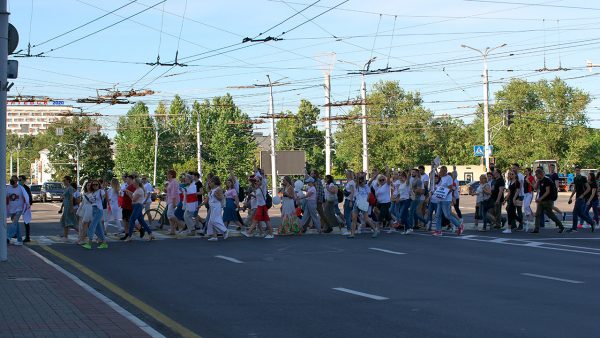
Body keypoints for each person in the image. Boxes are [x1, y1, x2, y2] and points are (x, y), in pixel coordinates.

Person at [433, 166, 464, 236]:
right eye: (440, 171)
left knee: (447, 215)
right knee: (438, 215)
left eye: (441, 171)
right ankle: (438, 231)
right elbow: (439, 187)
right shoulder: (441, 178)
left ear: (444, 171)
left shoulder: (448, 178)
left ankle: (459, 226)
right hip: (440, 199)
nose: (440, 172)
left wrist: (444, 194)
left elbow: (451, 188)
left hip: (446, 200)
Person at [533, 168, 564, 233]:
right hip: (541, 201)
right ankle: (536, 229)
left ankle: (561, 226)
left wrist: (540, 199)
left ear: (540, 174)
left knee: (550, 214)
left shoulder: (547, 180)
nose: (536, 176)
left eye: (537, 174)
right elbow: (535, 188)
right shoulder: (540, 180)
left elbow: (547, 192)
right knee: (538, 214)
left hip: (548, 200)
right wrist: (537, 181)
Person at [123, 178, 155, 242]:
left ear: (137, 183)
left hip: (137, 206)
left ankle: (130, 236)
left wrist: (128, 194)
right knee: (141, 221)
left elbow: (133, 199)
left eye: (134, 183)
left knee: (132, 219)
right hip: (136, 206)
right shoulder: (137, 189)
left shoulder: (139, 190)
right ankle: (150, 234)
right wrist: (129, 192)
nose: (133, 184)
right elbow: (134, 195)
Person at [243, 174, 274, 239]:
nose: (256, 182)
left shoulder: (263, 187)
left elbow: (263, 180)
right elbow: (255, 196)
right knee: (264, 221)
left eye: (257, 181)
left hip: (262, 207)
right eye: (255, 181)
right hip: (261, 206)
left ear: (261, 181)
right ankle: (269, 233)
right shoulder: (257, 189)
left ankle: (249, 233)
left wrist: (258, 173)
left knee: (257, 220)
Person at [348, 172, 378, 238]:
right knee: (354, 218)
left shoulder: (366, 186)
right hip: (357, 204)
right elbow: (357, 181)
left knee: (366, 218)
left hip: (364, 204)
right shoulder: (357, 186)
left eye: (363, 181)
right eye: (361, 181)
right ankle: (352, 234)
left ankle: (375, 230)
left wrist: (366, 202)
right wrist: (358, 176)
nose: (363, 183)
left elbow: (369, 194)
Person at [81, 180, 109, 250]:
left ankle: (89, 243)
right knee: (98, 228)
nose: (95, 186)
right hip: (94, 210)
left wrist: (105, 189)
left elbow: (104, 196)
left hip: (99, 210)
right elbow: (91, 201)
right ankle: (104, 242)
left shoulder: (100, 191)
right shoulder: (92, 193)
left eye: (96, 184)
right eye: (93, 185)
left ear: (98, 185)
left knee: (92, 226)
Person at [568, 166, 596, 232]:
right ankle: (592, 222)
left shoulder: (583, 178)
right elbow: (575, 189)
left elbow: (588, 188)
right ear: (574, 171)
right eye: (576, 170)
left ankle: (574, 228)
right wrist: (571, 197)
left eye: (578, 170)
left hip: (581, 198)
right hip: (577, 197)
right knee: (580, 214)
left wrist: (582, 195)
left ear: (580, 171)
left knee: (575, 212)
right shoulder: (575, 178)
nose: (577, 171)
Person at [6, 176, 28, 246]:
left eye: (13, 180)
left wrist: (26, 206)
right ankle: (19, 240)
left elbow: (26, 197)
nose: (12, 181)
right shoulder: (8, 188)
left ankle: (7, 237)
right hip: (12, 209)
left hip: (19, 209)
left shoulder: (21, 188)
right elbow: (6, 197)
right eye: (11, 180)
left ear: (16, 181)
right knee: (16, 224)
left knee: (14, 222)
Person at [205, 176, 228, 241]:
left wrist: (216, 196)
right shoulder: (212, 190)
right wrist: (200, 205)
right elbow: (208, 199)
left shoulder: (218, 189)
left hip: (217, 206)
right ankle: (214, 236)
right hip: (212, 207)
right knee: (211, 221)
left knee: (215, 220)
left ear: (214, 182)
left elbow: (221, 198)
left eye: (211, 182)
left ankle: (225, 230)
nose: (209, 183)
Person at [166, 169, 183, 236]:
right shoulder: (170, 182)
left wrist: (173, 202)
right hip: (170, 200)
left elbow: (174, 192)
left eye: (168, 174)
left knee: (169, 215)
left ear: (171, 175)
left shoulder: (174, 182)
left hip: (173, 200)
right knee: (170, 216)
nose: (167, 175)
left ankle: (181, 224)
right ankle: (172, 230)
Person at [17, 175, 33, 243]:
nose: (19, 182)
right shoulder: (17, 187)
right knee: (15, 220)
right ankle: (14, 234)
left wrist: (28, 205)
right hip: (17, 206)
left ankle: (27, 237)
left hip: (25, 206)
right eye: (18, 180)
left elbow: (29, 197)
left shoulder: (26, 188)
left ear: (24, 180)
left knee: (26, 221)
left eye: (20, 180)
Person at [342, 170, 356, 236]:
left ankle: (349, 230)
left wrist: (350, 201)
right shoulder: (349, 182)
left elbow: (352, 192)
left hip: (350, 200)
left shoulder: (351, 182)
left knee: (347, 215)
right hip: (348, 199)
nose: (346, 174)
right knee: (348, 215)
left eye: (347, 174)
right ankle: (351, 228)